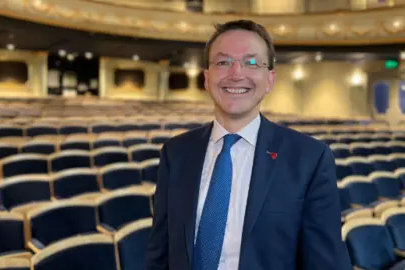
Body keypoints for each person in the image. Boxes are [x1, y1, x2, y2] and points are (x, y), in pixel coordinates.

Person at [145, 20, 352, 270]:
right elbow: (160, 253)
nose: (236, 73)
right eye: (223, 62)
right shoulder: (175, 152)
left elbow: (326, 263)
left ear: (270, 79)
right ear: (207, 79)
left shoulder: (309, 158)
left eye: (251, 62)